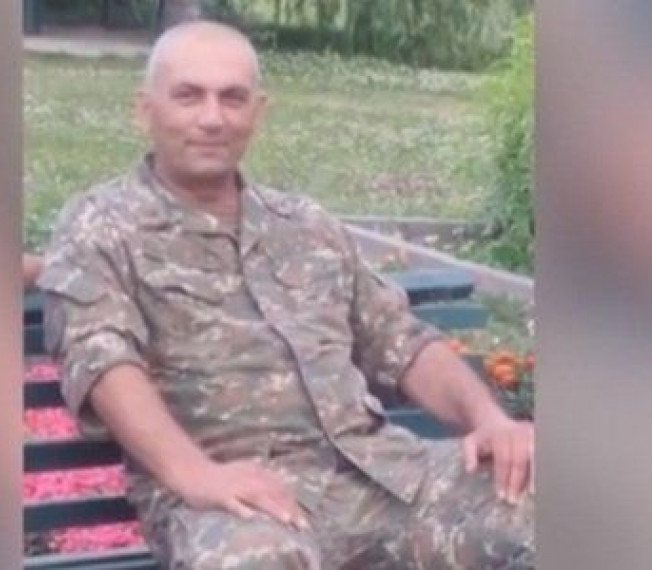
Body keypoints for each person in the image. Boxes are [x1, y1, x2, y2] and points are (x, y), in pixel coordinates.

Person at [37, 21, 534, 569]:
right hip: (234, 503)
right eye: (188, 96)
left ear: (258, 111)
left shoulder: (306, 225)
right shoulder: (100, 227)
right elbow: (103, 362)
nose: (212, 118)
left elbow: (402, 340)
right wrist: (195, 475)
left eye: (232, 98)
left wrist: (489, 420)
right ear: (145, 109)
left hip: (380, 478)